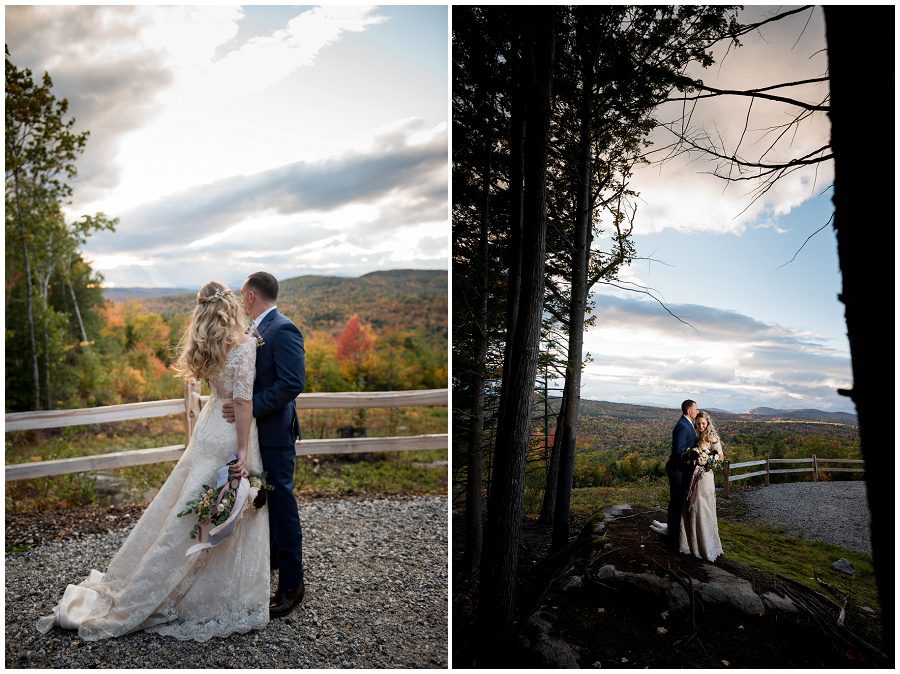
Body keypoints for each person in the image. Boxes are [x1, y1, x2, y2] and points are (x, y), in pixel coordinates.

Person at [37, 281, 269, 641]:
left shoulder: (207, 343)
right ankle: (193, 594)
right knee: (210, 509)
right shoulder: (244, 344)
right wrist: (242, 451)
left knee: (189, 508)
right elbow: (241, 402)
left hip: (208, 427)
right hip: (228, 434)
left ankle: (163, 577)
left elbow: (220, 393)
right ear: (230, 307)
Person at [222, 271, 306, 619]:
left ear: (251, 297)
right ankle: (265, 569)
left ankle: (292, 585)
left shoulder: (283, 329)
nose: (242, 303)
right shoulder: (255, 330)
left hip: (273, 434)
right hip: (256, 435)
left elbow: (292, 383)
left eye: (243, 297)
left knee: (282, 505)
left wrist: (250, 406)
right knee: (262, 502)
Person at [679, 410, 724, 561]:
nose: (700, 426)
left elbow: (720, 456)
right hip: (694, 475)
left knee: (702, 507)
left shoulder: (712, 437)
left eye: (703, 423)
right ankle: (692, 542)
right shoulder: (695, 436)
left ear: (708, 423)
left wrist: (709, 461)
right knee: (691, 507)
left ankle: (705, 544)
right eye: (698, 424)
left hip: (705, 477)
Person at [658, 399, 699, 552]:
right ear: (689, 411)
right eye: (696, 408)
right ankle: (673, 539)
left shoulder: (688, 424)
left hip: (683, 472)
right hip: (678, 472)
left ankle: (677, 535)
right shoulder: (682, 426)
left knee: (679, 503)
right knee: (676, 504)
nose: (697, 410)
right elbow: (679, 453)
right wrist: (695, 461)